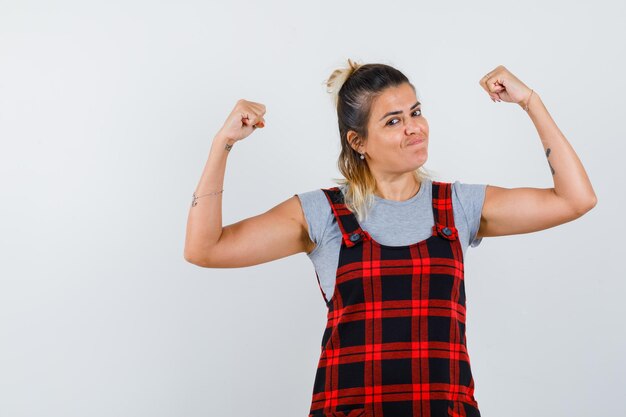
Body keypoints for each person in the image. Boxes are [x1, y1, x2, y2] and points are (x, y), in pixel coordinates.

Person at [184, 59, 597, 417]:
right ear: (358, 142)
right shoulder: (322, 214)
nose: (414, 129)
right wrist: (223, 144)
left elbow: (576, 199)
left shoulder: (458, 206)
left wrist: (530, 102)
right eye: (394, 121)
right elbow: (205, 249)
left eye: (415, 112)